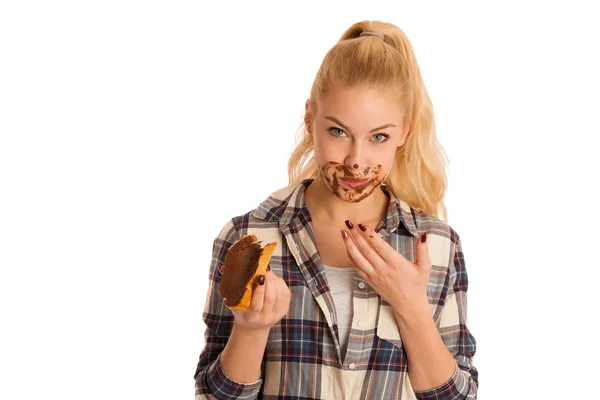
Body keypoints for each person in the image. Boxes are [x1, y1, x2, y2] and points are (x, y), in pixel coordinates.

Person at [194, 20, 478, 399]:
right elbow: (212, 395)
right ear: (310, 118)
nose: (356, 162)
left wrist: (411, 307)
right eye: (338, 132)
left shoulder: (437, 246)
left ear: (405, 133)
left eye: (379, 137)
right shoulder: (250, 237)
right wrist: (250, 329)